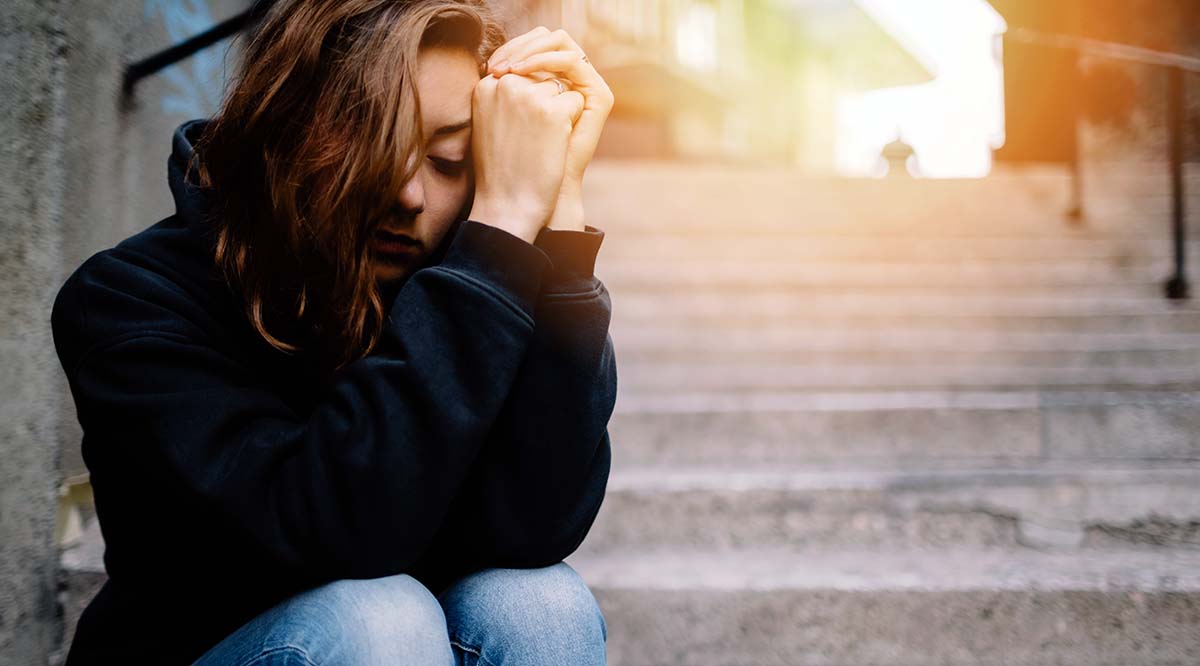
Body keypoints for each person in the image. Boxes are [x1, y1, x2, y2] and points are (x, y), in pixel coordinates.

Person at [50, 0, 617, 663]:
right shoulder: (128, 301)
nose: (409, 194)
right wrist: (495, 238)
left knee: (540, 604)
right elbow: (330, 530)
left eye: (450, 159)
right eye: (374, 145)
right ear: (278, 130)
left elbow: (537, 526)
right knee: (379, 619)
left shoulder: (468, 282)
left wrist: (557, 213)